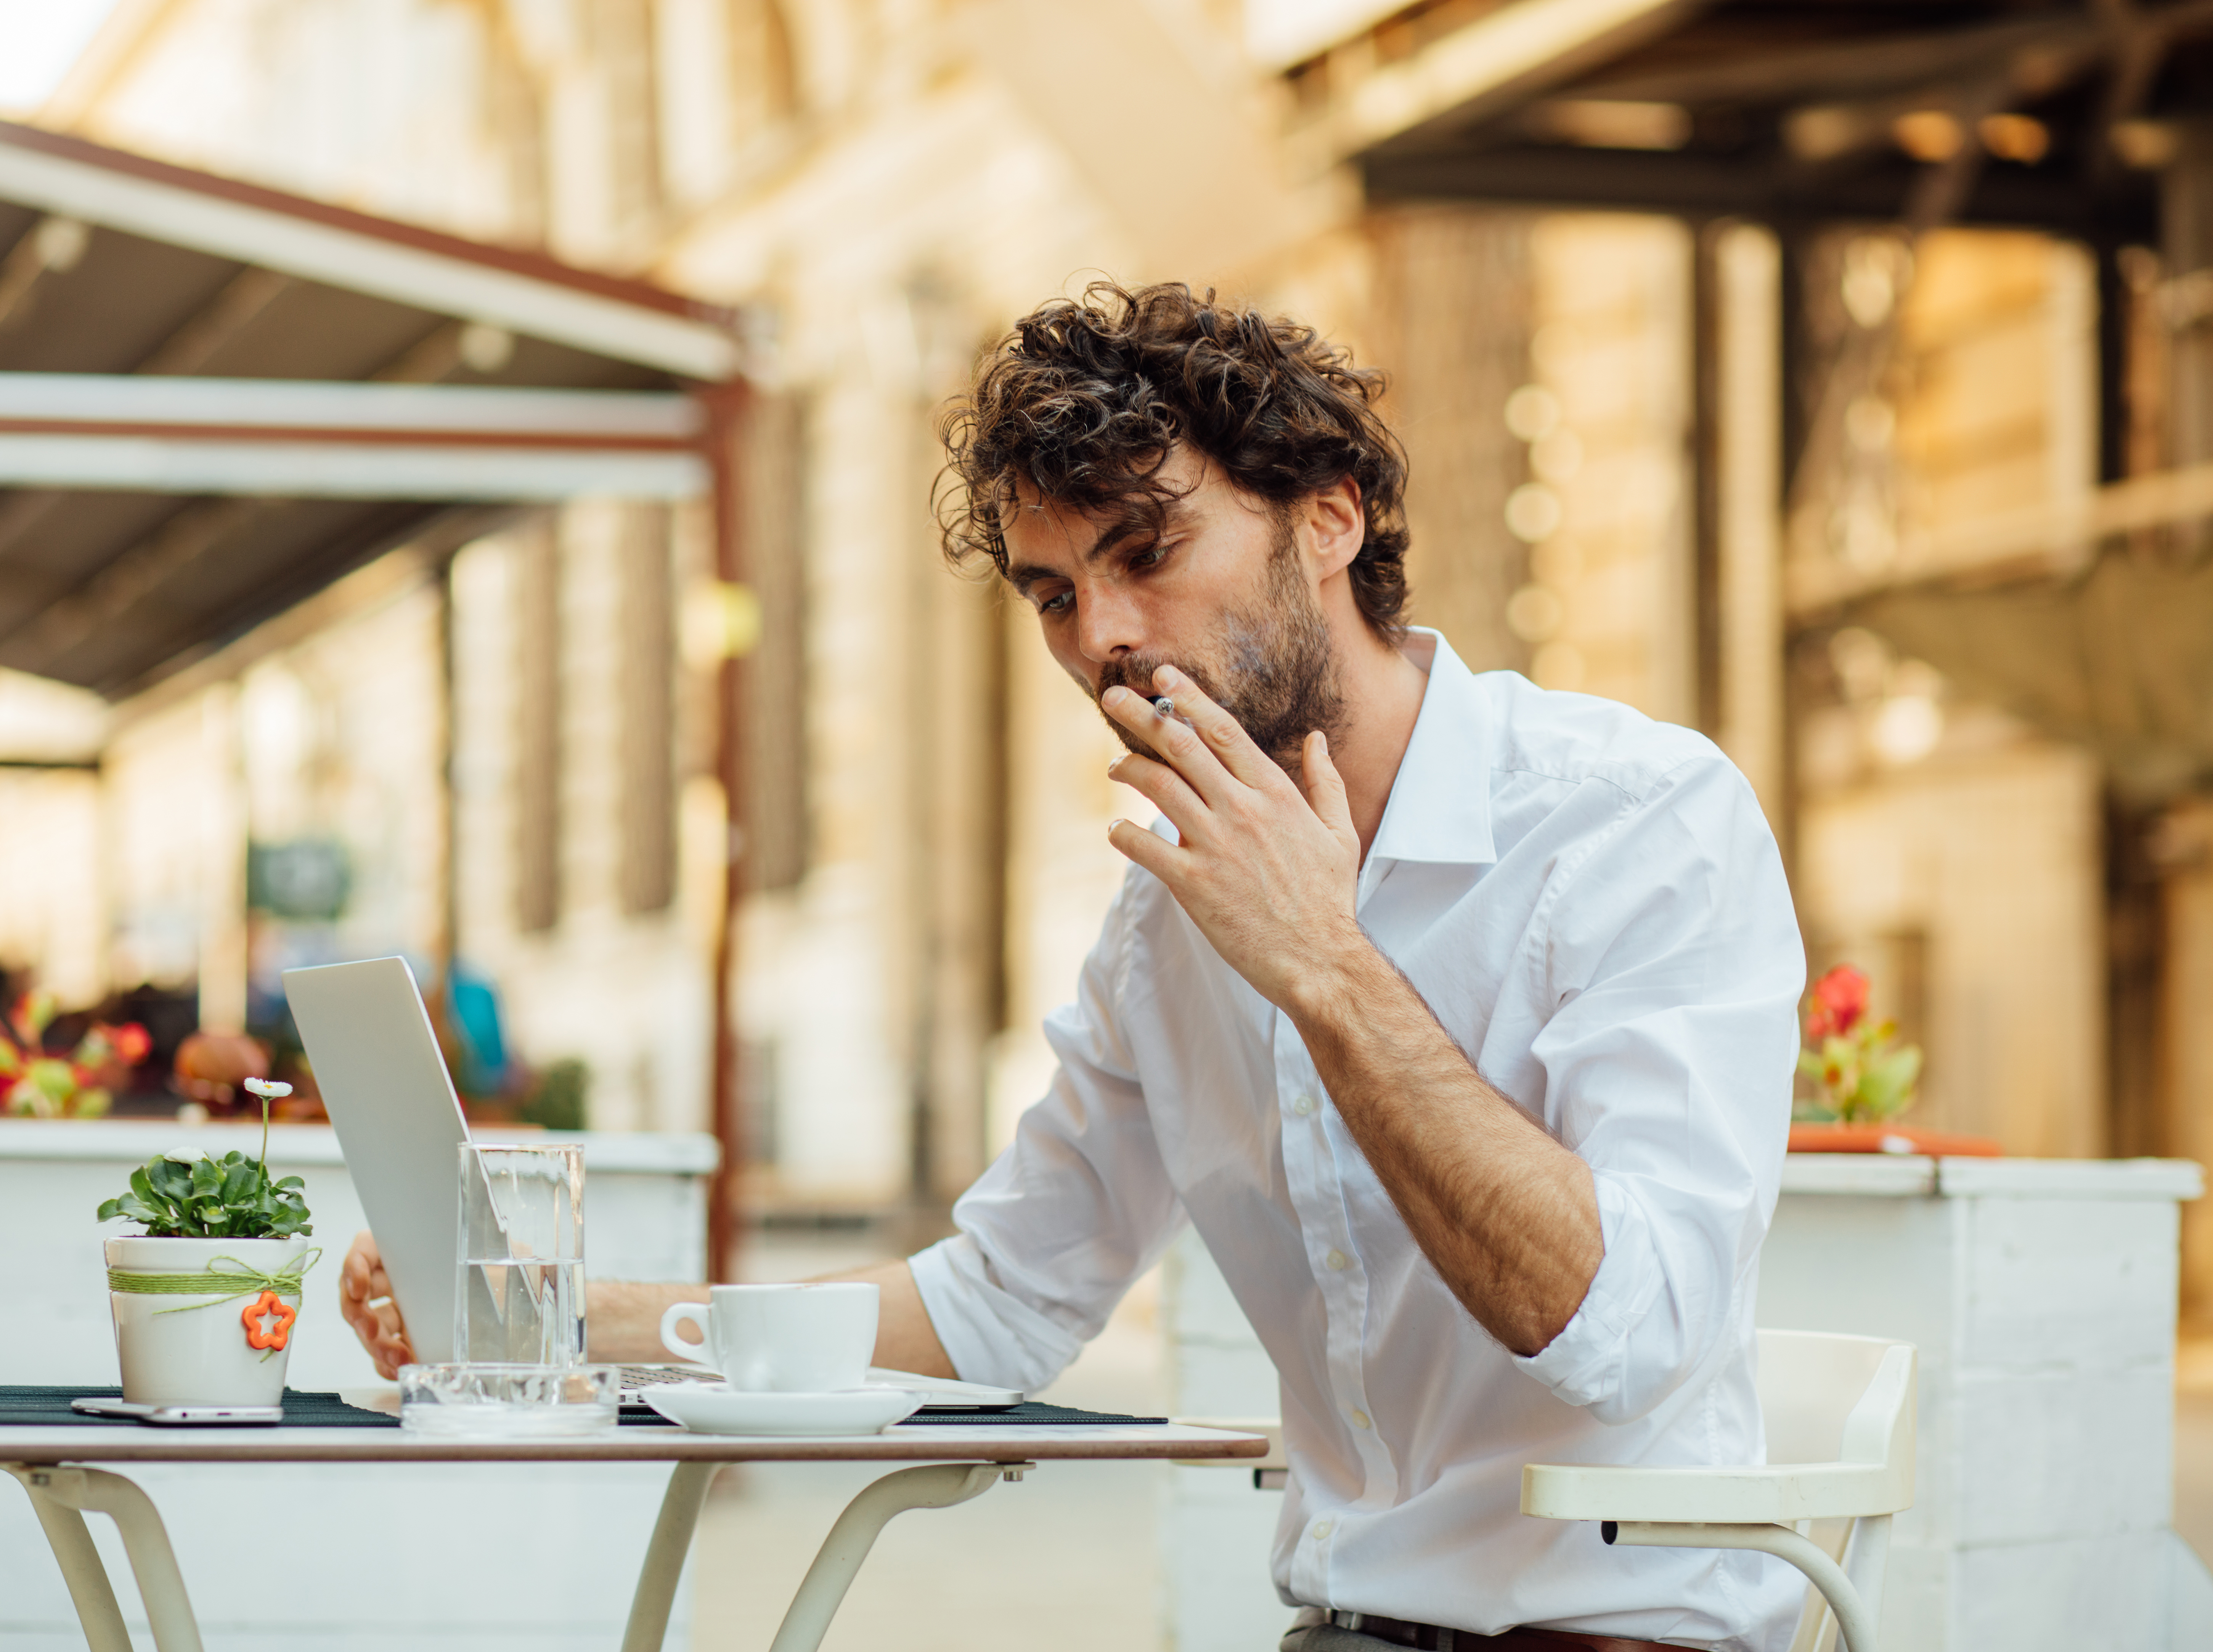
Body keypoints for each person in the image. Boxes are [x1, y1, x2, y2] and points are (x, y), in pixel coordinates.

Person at [343, 283, 1805, 1652]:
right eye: (1051, 595)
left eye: (1145, 555)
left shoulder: (1634, 823)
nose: (1102, 639)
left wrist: (1324, 961)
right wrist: (550, 1312)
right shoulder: (1169, 920)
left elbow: (1627, 1334)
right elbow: (1001, 1302)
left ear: (1328, 521)